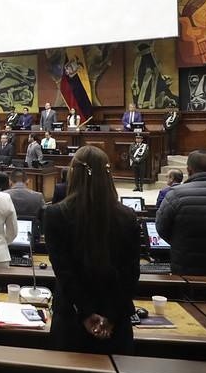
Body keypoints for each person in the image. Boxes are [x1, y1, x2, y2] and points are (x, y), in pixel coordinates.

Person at [45, 145, 140, 354]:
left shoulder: (55, 215)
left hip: (72, 319)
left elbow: (65, 273)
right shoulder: (128, 217)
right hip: (115, 323)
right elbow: (131, 274)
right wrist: (111, 317)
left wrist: (86, 313)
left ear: (73, 173)